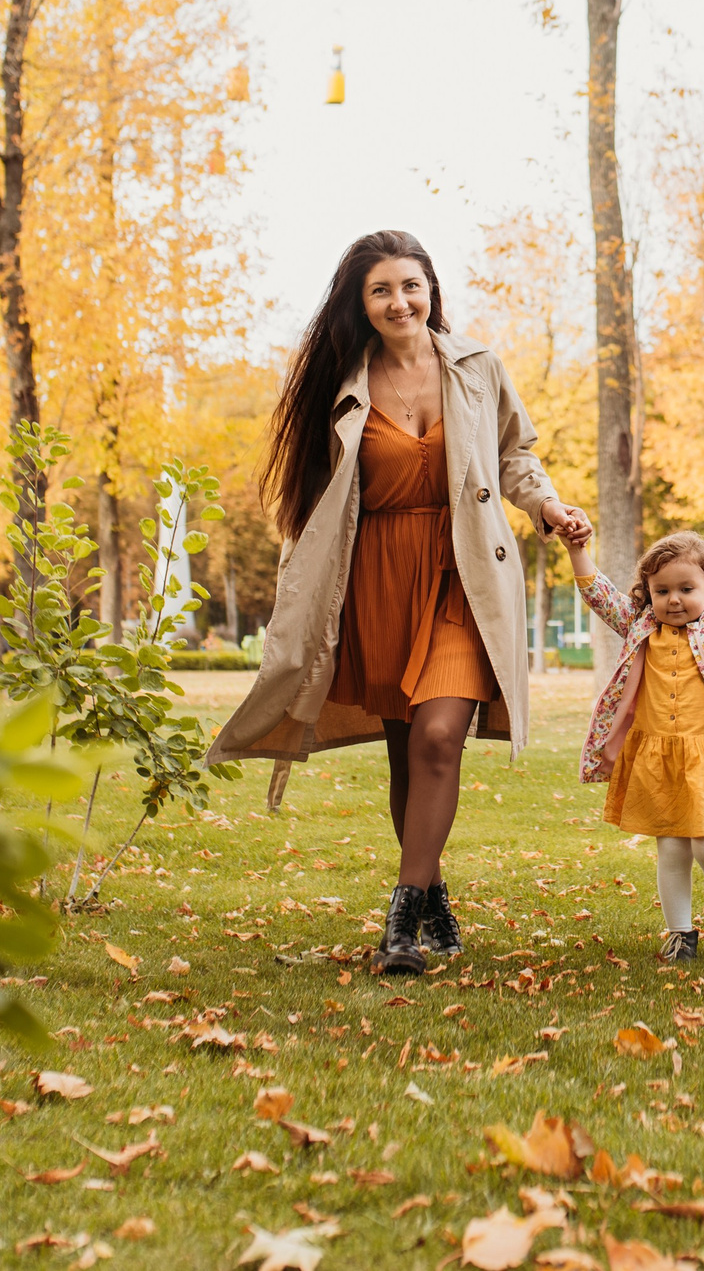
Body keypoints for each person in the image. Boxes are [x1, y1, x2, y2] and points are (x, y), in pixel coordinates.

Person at [207, 230, 590, 977]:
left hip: (460, 570)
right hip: (375, 577)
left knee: (440, 735)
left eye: (411, 285)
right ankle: (435, 895)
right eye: (381, 289)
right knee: (405, 752)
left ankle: (402, 917)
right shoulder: (341, 381)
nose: (399, 300)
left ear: (432, 290)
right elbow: (314, 499)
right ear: (362, 302)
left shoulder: (476, 367)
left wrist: (547, 505)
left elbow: (515, 454)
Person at [566, 526, 704, 961]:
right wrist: (577, 550)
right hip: (658, 757)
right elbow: (599, 595)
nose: (674, 600)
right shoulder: (641, 627)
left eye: (686, 589)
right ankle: (679, 934)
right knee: (671, 847)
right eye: (662, 590)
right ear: (647, 594)